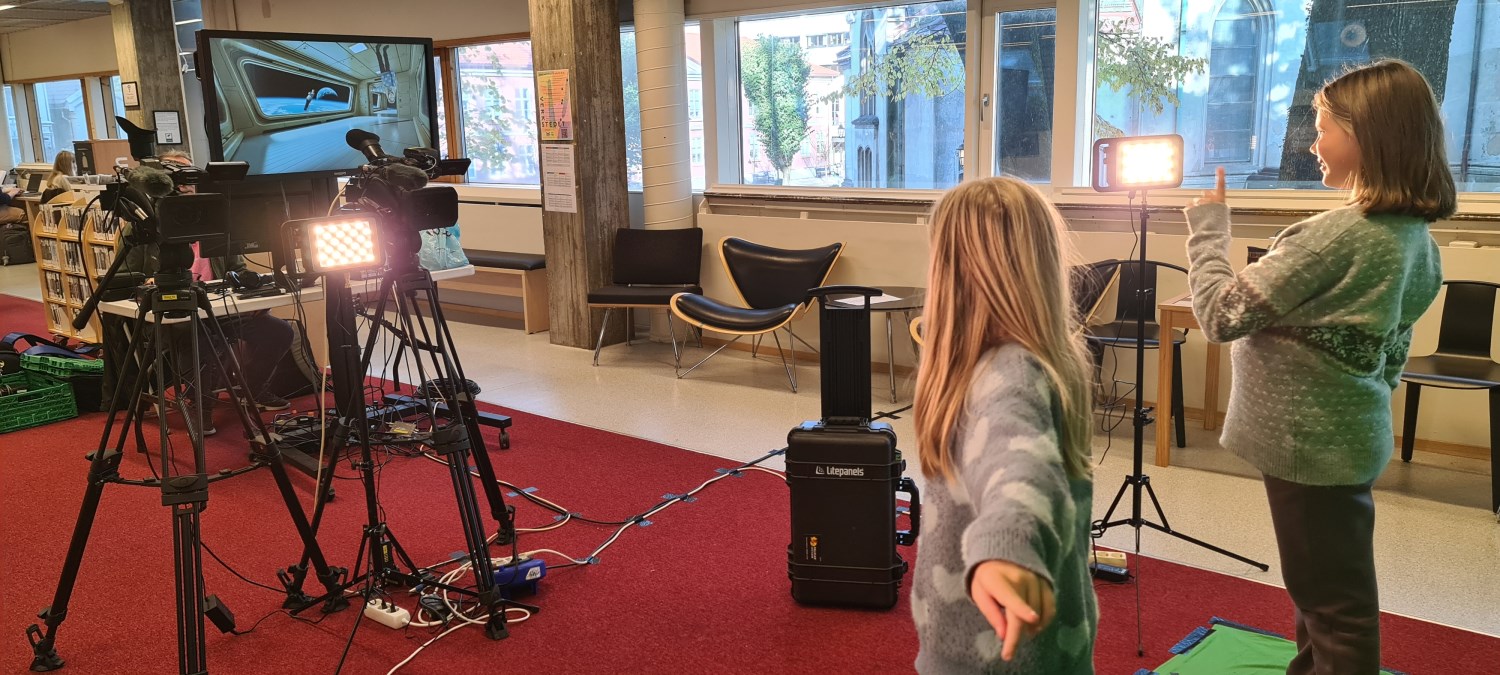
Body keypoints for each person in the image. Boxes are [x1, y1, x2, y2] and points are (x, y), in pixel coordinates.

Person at [1183, 59, 1453, 675]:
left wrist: (1208, 232)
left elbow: (1221, 315)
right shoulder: (1416, 240)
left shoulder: (1337, 237)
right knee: (1323, 589)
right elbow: (1390, 353)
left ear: (1365, 136)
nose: (1313, 143)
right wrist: (1349, 401)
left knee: (1336, 608)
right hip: (1348, 437)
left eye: (1324, 127)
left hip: (1311, 446)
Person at [910, 177, 1097, 673]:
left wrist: (1005, 547)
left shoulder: (1009, 371)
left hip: (995, 658)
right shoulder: (1034, 361)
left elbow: (1018, 461)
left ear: (950, 271)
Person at [102, 150, 295, 436]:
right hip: (171, 314)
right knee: (199, 339)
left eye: (188, 180)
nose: (184, 186)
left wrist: (250, 293)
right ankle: (200, 406)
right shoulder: (141, 228)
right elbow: (122, 277)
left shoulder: (212, 221)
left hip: (220, 309)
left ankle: (252, 389)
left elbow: (236, 268)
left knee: (279, 332)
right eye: (175, 180)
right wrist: (150, 282)